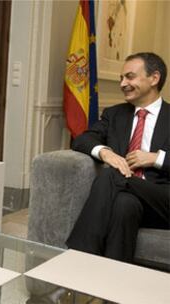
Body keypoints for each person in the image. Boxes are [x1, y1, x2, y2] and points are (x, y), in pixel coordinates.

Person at [66, 52, 169, 264]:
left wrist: (156, 158)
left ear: (154, 78)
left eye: (130, 77)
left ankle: (76, 261)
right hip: (129, 196)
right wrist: (106, 153)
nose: (123, 83)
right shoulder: (115, 114)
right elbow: (82, 139)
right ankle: (110, 290)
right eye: (121, 78)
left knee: (111, 176)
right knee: (124, 205)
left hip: (163, 200)